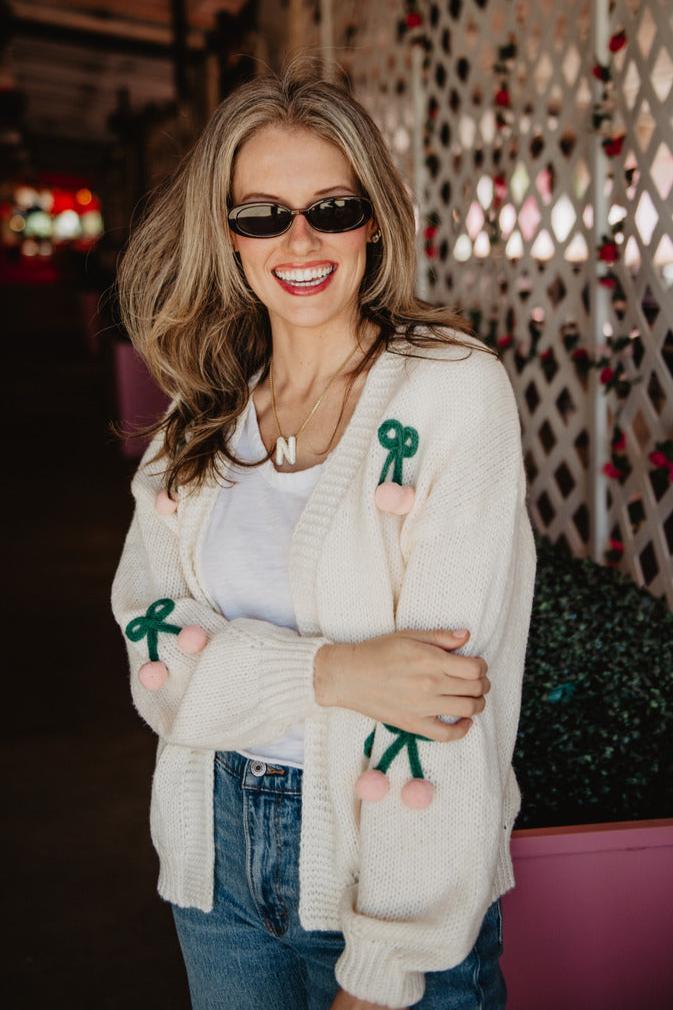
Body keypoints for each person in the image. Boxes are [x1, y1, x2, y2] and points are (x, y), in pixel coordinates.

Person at [111, 53, 536, 1010]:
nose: (297, 239)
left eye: (331, 208)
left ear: (373, 218)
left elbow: (443, 707)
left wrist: (389, 961)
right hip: (211, 856)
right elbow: (148, 643)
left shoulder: (450, 394)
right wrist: (336, 673)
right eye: (260, 214)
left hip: (383, 868)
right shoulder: (202, 417)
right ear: (225, 234)